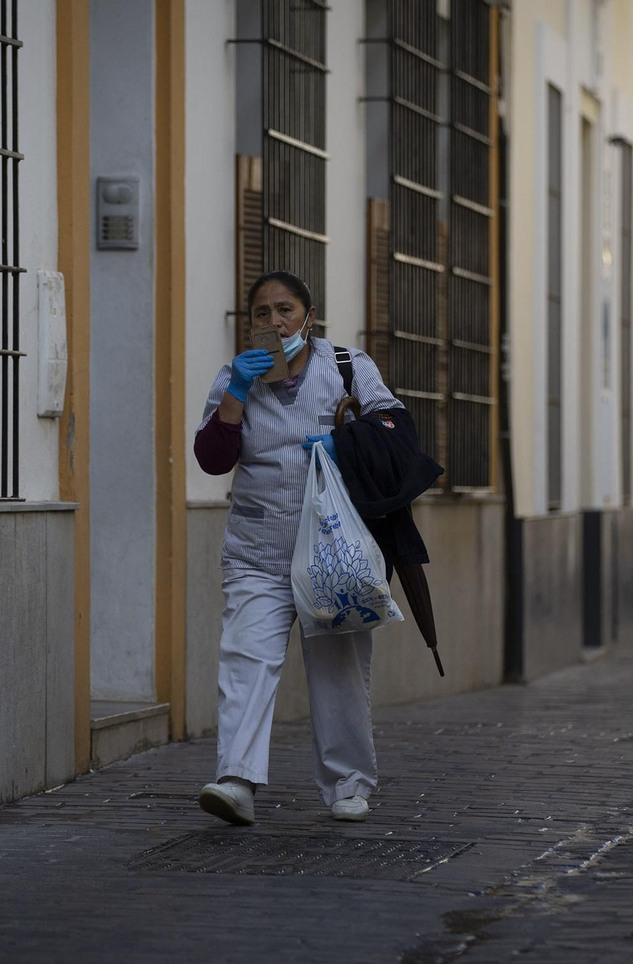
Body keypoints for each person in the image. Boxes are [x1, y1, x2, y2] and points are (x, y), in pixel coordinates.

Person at [192, 270, 404, 825]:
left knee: (338, 674)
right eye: (261, 313)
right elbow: (213, 458)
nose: (274, 321)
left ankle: (348, 785)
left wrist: (342, 441)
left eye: (285, 310)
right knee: (246, 662)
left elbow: (394, 427)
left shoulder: (347, 367)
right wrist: (236, 394)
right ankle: (236, 779)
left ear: (308, 317)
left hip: (333, 553)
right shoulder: (232, 378)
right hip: (256, 552)